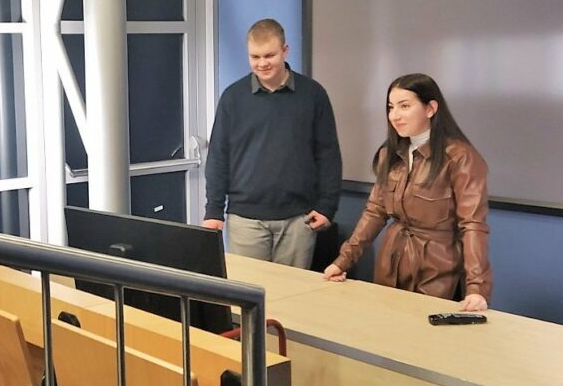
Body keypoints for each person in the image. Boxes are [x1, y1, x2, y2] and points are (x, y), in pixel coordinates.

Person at [323, 73, 491, 311]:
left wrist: (477, 288)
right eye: (391, 107)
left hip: (439, 268)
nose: (395, 115)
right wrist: (342, 262)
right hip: (391, 259)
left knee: (425, 329)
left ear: (430, 108)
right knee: (387, 324)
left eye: (404, 106)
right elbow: (375, 212)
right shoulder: (389, 154)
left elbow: (473, 224)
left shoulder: (460, 157)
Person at [203, 18, 342, 268]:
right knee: (247, 290)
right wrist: (213, 210)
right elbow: (218, 156)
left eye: (269, 55)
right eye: (255, 57)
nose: (262, 63)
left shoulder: (313, 94)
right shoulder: (233, 97)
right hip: (245, 220)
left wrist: (327, 206)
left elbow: (328, 154)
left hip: (299, 220)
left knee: (293, 292)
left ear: (285, 51)